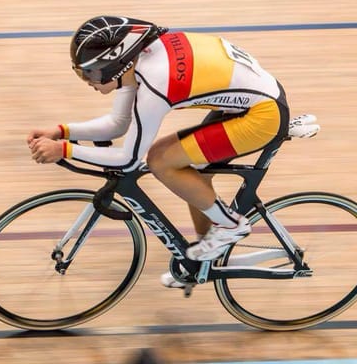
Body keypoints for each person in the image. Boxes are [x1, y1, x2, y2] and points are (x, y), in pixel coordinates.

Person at [27, 15, 289, 288]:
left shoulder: (155, 83)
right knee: (191, 172)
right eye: (79, 72)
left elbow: (129, 159)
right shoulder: (139, 60)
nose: (87, 81)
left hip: (262, 116)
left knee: (161, 161)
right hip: (253, 102)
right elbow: (118, 125)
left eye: (90, 73)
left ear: (114, 65)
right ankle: (201, 260)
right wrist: (62, 132)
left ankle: (231, 225)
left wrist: (63, 150)